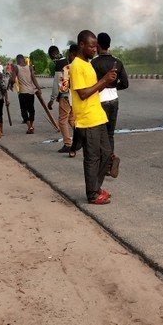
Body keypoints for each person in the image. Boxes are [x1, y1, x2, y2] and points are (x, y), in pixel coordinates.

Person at [69, 30, 118, 205]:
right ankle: (92, 194)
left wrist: (107, 82)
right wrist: (104, 80)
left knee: (106, 154)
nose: (95, 49)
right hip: (87, 119)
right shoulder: (76, 66)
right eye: (91, 46)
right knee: (92, 157)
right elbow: (82, 94)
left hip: (98, 116)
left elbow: (93, 90)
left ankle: (96, 187)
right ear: (82, 45)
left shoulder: (88, 64)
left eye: (96, 46)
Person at [91, 32, 129, 154]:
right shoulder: (117, 61)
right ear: (108, 45)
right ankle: (110, 161)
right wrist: (112, 86)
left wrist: (103, 85)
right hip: (114, 100)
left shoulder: (93, 63)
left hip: (99, 100)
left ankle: (102, 162)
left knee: (100, 134)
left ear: (97, 45)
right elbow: (125, 84)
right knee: (110, 134)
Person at [48, 44, 77, 153]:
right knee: (71, 119)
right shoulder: (68, 60)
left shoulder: (59, 64)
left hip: (65, 96)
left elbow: (57, 85)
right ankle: (82, 138)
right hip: (73, 96)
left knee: (62, 121)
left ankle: (67, 144)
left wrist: (51, 100)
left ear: (52, 55)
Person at [13, 54, 40, 134]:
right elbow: (33, 78)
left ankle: (30, 127)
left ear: (18, 60)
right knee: (31, 110)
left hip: (22, 92)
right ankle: (31, 125)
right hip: (31, 92)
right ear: (23, 59)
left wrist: (10, 84)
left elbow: (13, 78)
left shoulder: (16, 67)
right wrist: (38, 88)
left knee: (23, 110)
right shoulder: (30, 67)